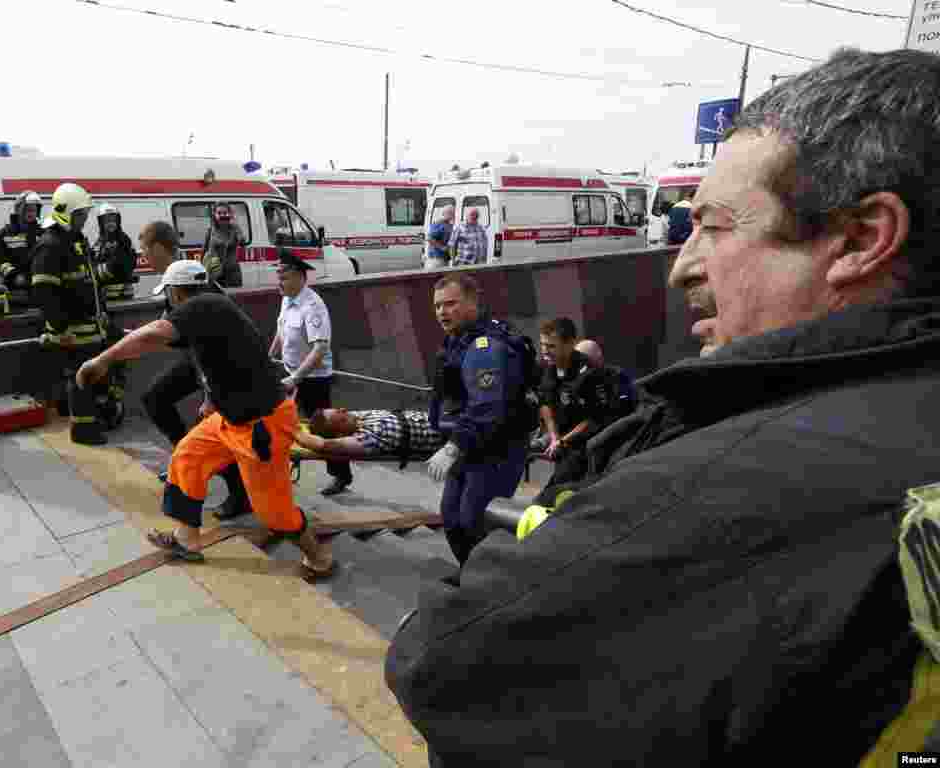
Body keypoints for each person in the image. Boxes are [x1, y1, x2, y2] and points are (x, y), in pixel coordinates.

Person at [387, 48, 940, 766]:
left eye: (713, 225)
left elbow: (442, 661)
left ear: (861, 239)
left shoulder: (732, 481)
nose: (681, 263)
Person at [75, 259, 334, 575]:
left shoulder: (205, 304)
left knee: (275, 514)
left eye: (167, 295)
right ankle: (187, 540)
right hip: (229, 419)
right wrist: (212, 399)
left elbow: (155, 333)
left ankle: (320, 560)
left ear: (176, 293)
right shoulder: (210, 311)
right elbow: (203, 357)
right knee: (187, 457)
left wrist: (103, 360)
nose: (167, 302)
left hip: (261, 426)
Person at [137, 220, 250, 521]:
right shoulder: (173, 277)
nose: (144, 257)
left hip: (217, 363)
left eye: (146, 251)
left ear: (160, 248)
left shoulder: (190, 277)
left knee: (217, 428)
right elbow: (172, 325)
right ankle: (187, 458)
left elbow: (204, 340)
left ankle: (239, 493)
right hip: (196, 359)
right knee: (154, 399)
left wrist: (209, 395)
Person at [426, 274, 534, 566]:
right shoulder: (457, 340)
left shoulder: (485, 347)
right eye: (437, 306)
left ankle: (494, 583)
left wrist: (452, 448)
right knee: (452, 519)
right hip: (468, 444)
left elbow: (486, 409)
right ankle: (471, 576)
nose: (441, 312)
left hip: (497, 448)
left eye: (450, 304)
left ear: (473, 302)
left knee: (475, 522)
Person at [31, 183, 119, 445]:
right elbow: (44, 293)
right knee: (80, 379)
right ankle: (82, 431)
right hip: (71, 331)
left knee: (92, 377)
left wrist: (101, 311)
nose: (84, 220)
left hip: (91, 326)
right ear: (65, 213)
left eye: (85, 215)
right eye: (80, 215)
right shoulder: (50, 244)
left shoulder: (75, 241)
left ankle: (94, 421)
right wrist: (60, 329)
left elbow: (90, 283)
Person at [269, 249, 352, 496]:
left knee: (321, 428)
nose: (279, 283)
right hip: (289, 374)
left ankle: (341, 475)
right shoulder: (287, 298)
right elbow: (281, 330)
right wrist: (270, 355)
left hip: (313, 380)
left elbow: (320, 350)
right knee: (282, 422)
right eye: (278, 277)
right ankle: (282, 468)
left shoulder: (313, 306)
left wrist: (296, 379)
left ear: (298, 277)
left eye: (283, 277)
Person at [536, 319, 634, 490]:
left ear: (569, 344)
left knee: (554, 494)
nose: (545, 352)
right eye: (543, 345)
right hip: (562, 443)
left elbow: (596, 418)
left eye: (551, 346)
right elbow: (545, 403)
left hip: (590, 445)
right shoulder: (547, 367)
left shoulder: (589, 374)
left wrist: (563, 441)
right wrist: (553, 437)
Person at [297, 407, 445, 459]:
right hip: (448, 437)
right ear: (340, 435)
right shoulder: (366, 438)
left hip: (446, 416)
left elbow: (321, 426)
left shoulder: (357, 417)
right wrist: (293, 431)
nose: (344, 410)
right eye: (340, 415)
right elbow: (323, 444)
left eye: (339, 409)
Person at [0, 190, 43, 301]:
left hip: (41, 286)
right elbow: (0, 261)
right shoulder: (3, 234)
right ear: (19, 210)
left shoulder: (43, 233)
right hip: (15, 288)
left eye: (34, 210)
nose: (31, 213)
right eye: (28, 210)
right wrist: (14, 276)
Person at [91, 203, 138, 301]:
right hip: (106, 294)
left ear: (118, 221)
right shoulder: (100, 241)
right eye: (107, 221)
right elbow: (95, 261)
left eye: (113, 220)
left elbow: (124, 264)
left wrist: (97, 272)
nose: (110, 223)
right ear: (101, 223)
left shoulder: (123, 239)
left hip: (122, 294)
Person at [202, 201, 244, 287]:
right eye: (219, 213)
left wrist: (235, 226)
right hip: (214, 272)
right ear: (215, 215)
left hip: (232, 273)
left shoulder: (234, 229)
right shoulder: (210, 231)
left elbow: (242, 241)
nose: (222, 215)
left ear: (229, 214)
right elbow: (204, 250)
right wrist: (202, 267)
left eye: (225, 213)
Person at [425, 205, 455, 269]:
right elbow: (429, 238)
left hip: (445, 258)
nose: (453, 215)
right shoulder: (438, 223)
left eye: (453, 213)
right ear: (444, 213)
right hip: (436, 259)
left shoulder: (449, 225)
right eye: (450, 213)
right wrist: (441, 247)